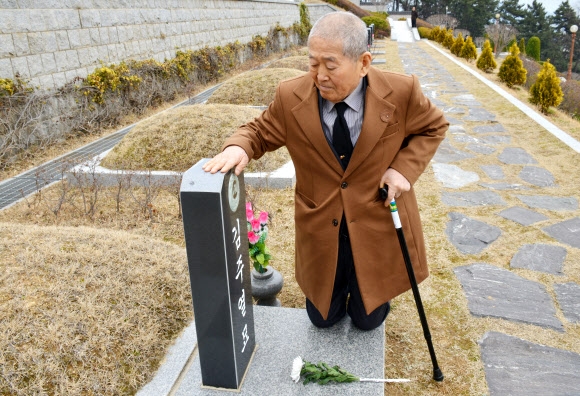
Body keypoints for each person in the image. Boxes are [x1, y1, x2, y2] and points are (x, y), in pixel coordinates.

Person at [203, 12, 448, 331]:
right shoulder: (291, 96)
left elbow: (434, 126)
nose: (319, 75)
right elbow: (259, 131)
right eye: (312, 63)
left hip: (374, 218)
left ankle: (368, 294)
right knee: (322, 319)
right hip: (322, 221)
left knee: (367, 320)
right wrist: (239, 147)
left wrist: (402, 169)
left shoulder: (401, 93)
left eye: (330, 65)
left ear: (363, 63)